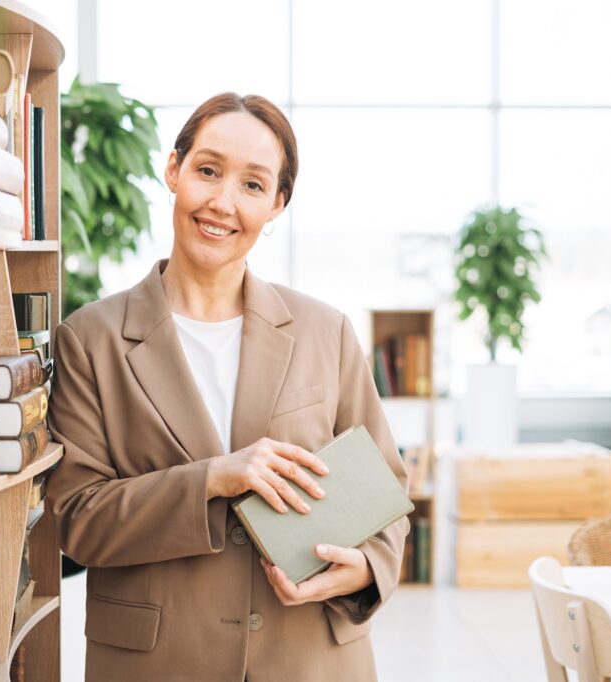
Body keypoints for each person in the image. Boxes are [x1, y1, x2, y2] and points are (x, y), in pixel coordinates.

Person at [45, 92, 409, 681]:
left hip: (308, 657)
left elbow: (386, 488)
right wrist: (214, 478)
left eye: (253, 185)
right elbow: (78, 520)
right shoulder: (90, 339)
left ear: (277, 204)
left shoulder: (326, 331)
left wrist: (367, 568)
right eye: (207, 171)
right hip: (160, 662)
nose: (222, 202)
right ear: (174, 170)